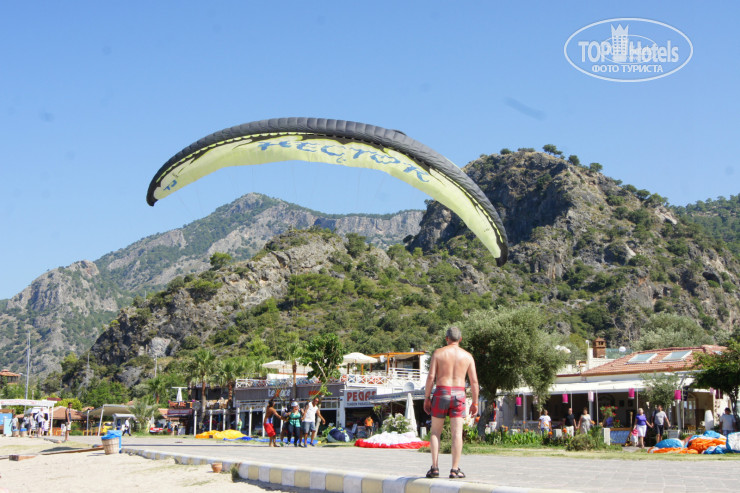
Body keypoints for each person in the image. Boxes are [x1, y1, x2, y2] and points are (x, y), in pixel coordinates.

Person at [423, 326, 479, 480]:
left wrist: (427, 397)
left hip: (441, 392)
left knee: (435, 432)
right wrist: (475, 402)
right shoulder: (467, 356)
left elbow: (431, 377)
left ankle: (435, 468)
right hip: (459, 394)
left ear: (446, 338)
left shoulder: (438, 353)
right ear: (460, 339)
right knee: (457, 433)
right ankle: (454, 469)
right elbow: (474, 382)